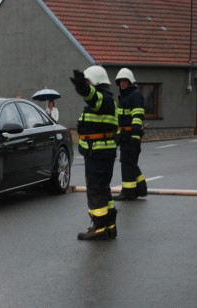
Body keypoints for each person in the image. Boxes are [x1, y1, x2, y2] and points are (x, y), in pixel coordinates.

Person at [70, 66, 118, 240]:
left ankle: (99, 228)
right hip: (100, 153)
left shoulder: (103, 100)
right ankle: (110, 226)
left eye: (89, 82)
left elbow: (92, 96)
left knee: (95, 190)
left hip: (98, 154)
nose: (88, 85)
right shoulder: (107, 101)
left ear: (96, 82)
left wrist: (83, 87)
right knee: (103, 190)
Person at [113, 68, 148, 201]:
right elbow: (119, 119)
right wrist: (117, 135)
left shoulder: (134, 96)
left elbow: (137, 117)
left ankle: (128, 192)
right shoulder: (123, 97)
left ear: (130, 82)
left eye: (125, 81)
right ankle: (140, 189)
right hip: (124, 136)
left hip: (131, 136)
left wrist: (134, 136)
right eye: (121, 81)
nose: (122, 83)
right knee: (130, 163)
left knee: (128, 163)